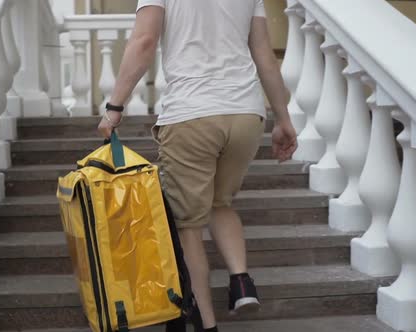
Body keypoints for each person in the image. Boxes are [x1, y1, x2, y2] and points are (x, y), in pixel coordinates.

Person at [98, 0, 298, 330]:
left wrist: (114, 106)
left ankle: (206, 323)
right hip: (246, 113)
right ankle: (241, 281)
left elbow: (145, 41)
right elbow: (265, 56)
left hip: (192, 114)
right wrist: (283, 119)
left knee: (188, 224)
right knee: (221, 202)